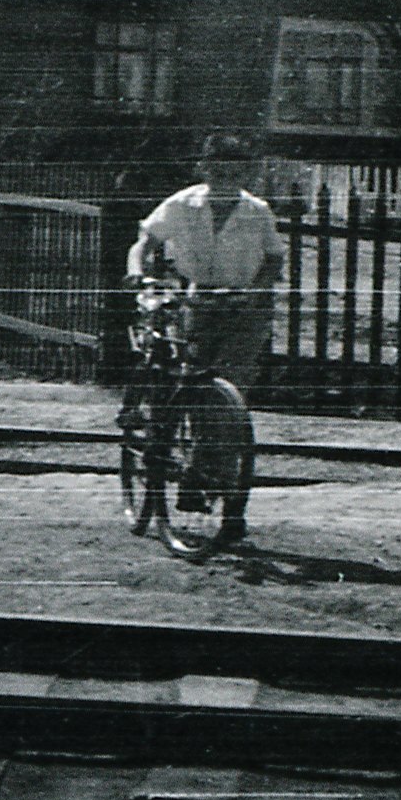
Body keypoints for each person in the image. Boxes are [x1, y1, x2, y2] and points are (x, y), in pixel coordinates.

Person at [126, 136, 282, 539]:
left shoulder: (257, 212)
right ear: (204, 170)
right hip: (199, 303)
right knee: (193, 389)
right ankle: (193, 471)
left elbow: (274, 259)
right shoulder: (181, 205)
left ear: (246, 174)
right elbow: (145, 242)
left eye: (234, 172)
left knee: (229, 398)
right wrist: (139, 272)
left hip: (245, 309)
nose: (225, 179)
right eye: (217, 171)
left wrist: (254, 292)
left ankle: (227, 506)